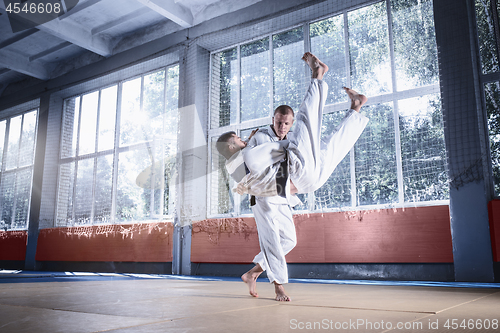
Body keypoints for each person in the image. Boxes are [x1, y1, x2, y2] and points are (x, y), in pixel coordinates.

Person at [216, 52, 369, 301]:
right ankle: (317, 76)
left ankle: (356, 108)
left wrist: (280, 149)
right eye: (238, 140)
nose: (244, 139)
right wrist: (279, 285)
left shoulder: (257, 146)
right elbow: (250, 172)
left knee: (328, 151)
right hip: (271, 196)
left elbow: (268, 166)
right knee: (305, 128)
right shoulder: (245, 156)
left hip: (302, 183)